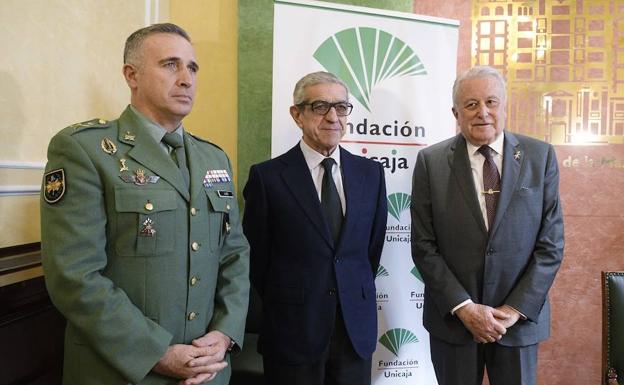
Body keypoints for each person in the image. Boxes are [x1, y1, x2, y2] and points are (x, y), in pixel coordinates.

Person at [40, 23, 249, 385]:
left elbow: (234, 253)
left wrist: (225, 333)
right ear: (131, 75)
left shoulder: (214, 158)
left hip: (207, 371)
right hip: (124, 372)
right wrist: (157, 353)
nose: (186, 79)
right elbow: (75, 276)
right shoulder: (84, 150)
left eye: (192, 67)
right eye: (170, 64)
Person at [411, 65, 564, 385]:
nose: (483, 112)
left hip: (518, 323)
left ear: (505, 105)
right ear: (456, 112)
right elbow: (424, 246)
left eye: (492, 102)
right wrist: (464, 308)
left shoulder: (540, 156)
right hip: (454, 322)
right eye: (471, 104)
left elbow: (550, 244)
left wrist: (514, 309)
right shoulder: (431, 162)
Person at [242, 71, 387, 385]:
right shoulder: (267, 178)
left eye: (341, 107)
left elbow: (370, 251)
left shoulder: (371, 174)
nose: (333, 116)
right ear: (297, 114)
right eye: (320, 106)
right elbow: (257, 261)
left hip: (353, 332)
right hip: (293, 333)